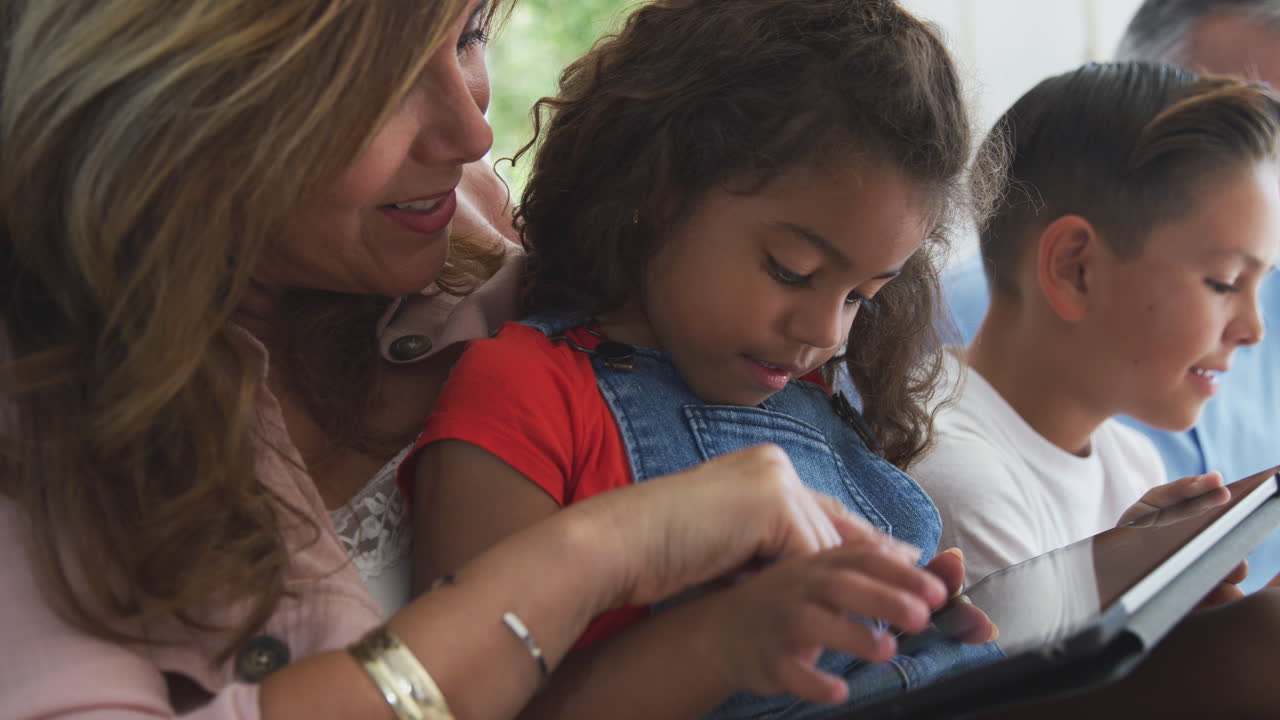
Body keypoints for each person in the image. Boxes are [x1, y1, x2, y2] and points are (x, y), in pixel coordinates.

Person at [0, 2, 958, 718]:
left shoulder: (495, 240)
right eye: (376, 81)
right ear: (179, 99)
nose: (471, 133)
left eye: (467, 36)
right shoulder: (44, 441)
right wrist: (609, 548)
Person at [406, 2, 1004, 718]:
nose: (825, 331)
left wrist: (902, 618)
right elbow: (475, 701)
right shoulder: (528, 391)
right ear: (657, 191)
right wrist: (722, 640)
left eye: (861, 297)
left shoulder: (806, 393)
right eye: (791, 269)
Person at [942, 0, 1280, 593]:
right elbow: (1052, 687)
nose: (1253, 329)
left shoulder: (1130, 465)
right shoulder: (961, 488)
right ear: (1076, 270)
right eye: (1224, 283)